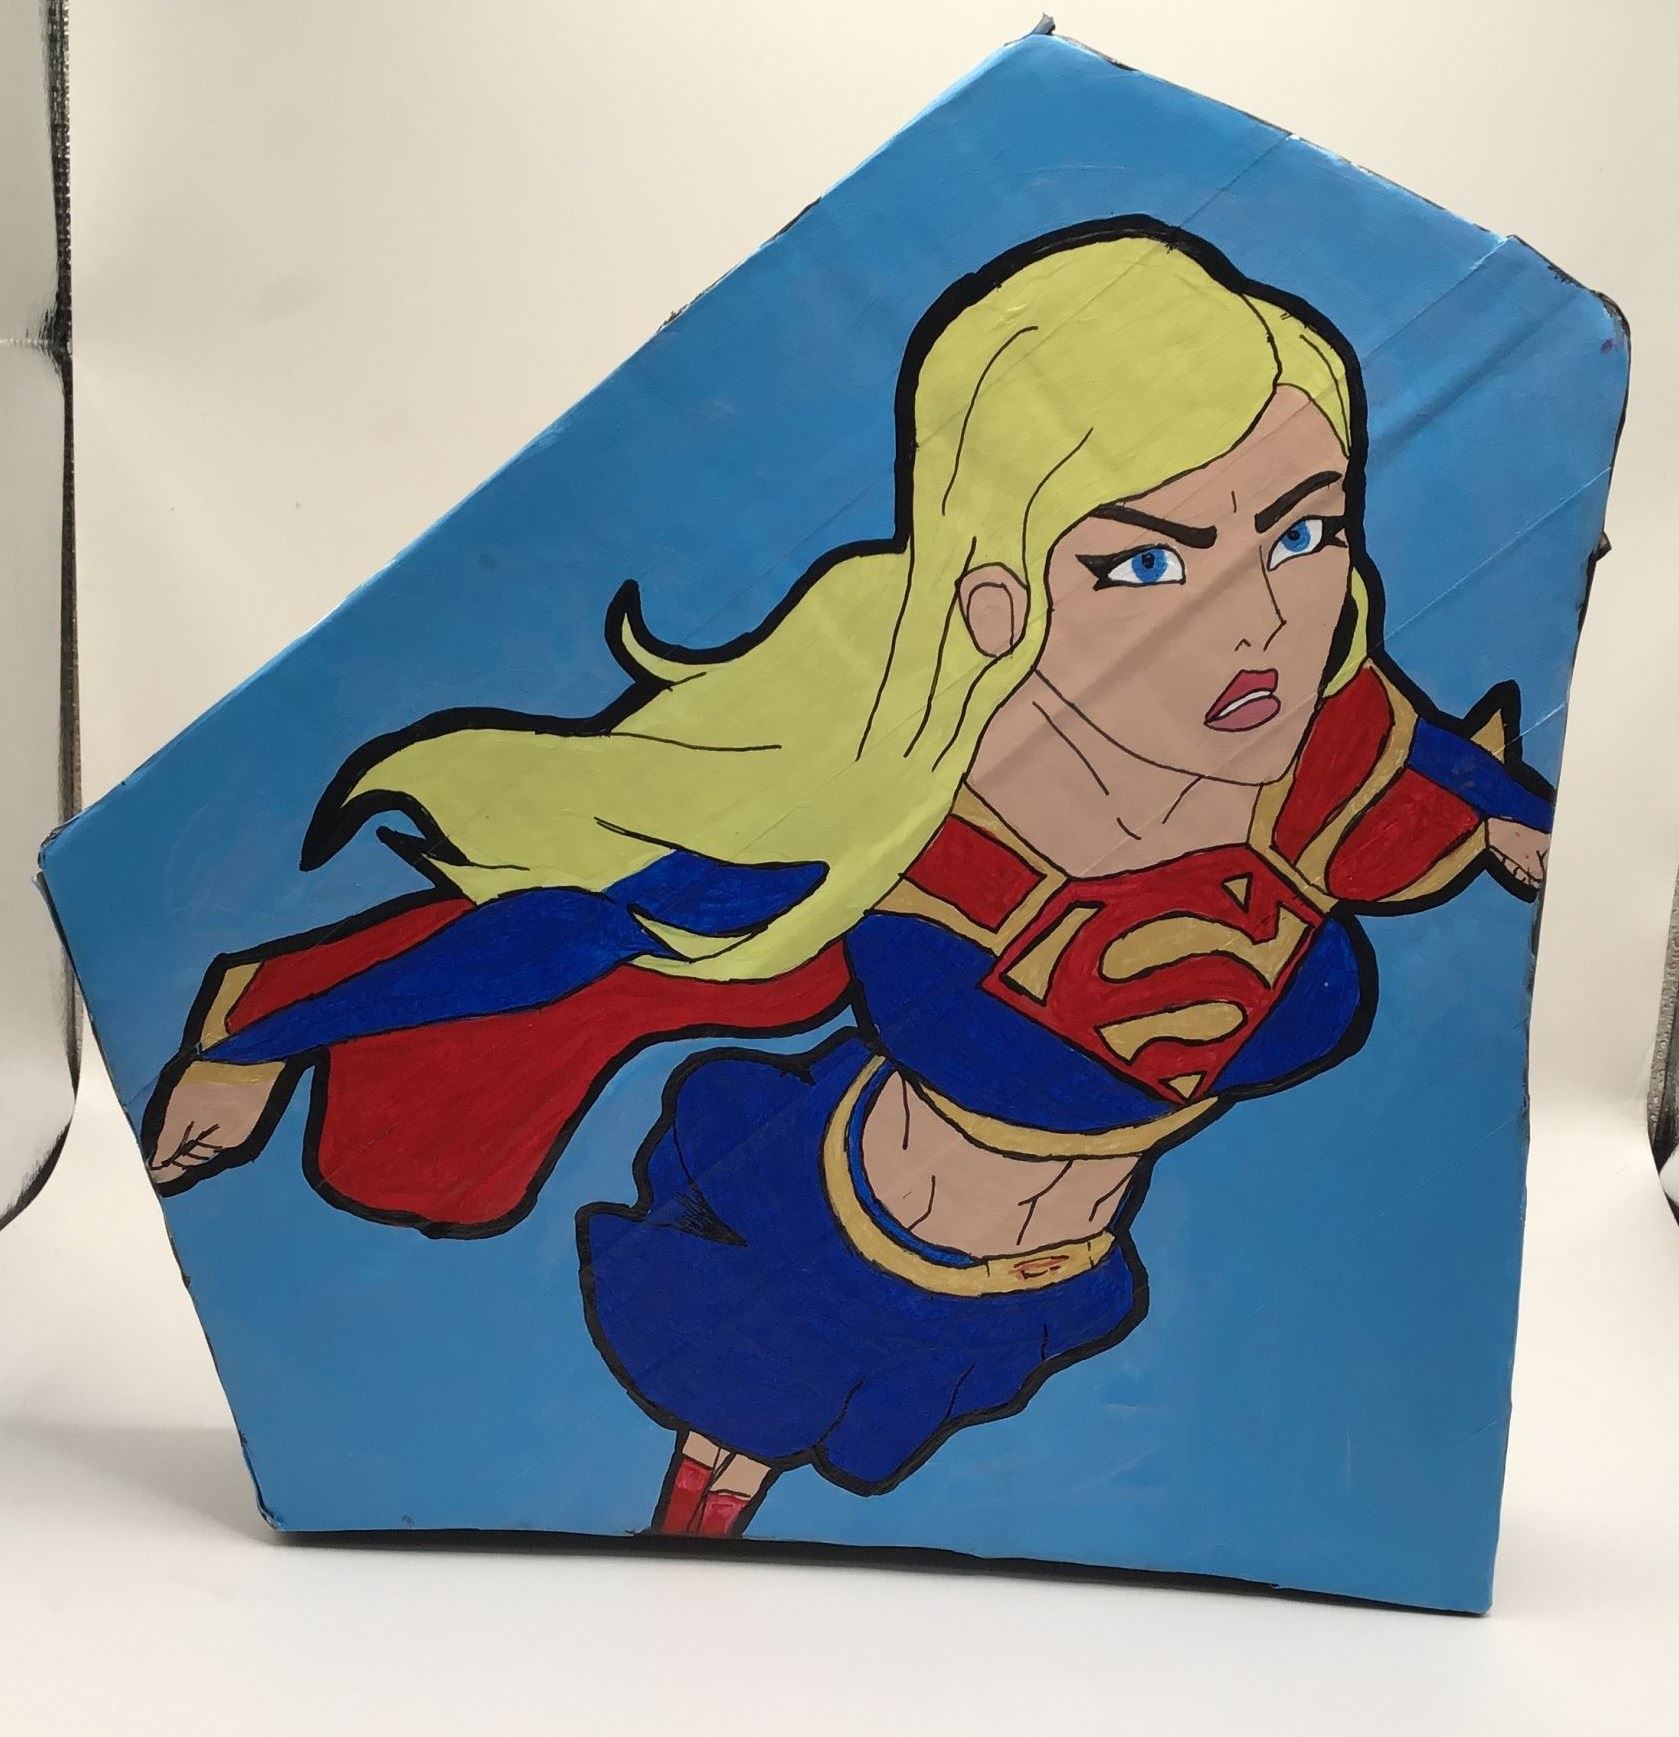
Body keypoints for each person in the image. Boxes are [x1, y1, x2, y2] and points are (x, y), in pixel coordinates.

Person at [143, 220, 1554, 1539]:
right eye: (1144, 562)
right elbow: (567, 933)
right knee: (726, 1472)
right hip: (828, 1245)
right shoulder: (914, 825)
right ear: (997, 596)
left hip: (1046, 1289)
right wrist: (254, 1036)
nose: (1260, 620)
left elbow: (1440, 775)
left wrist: (1522, 826)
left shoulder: (1326, 761)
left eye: (1303, 534)